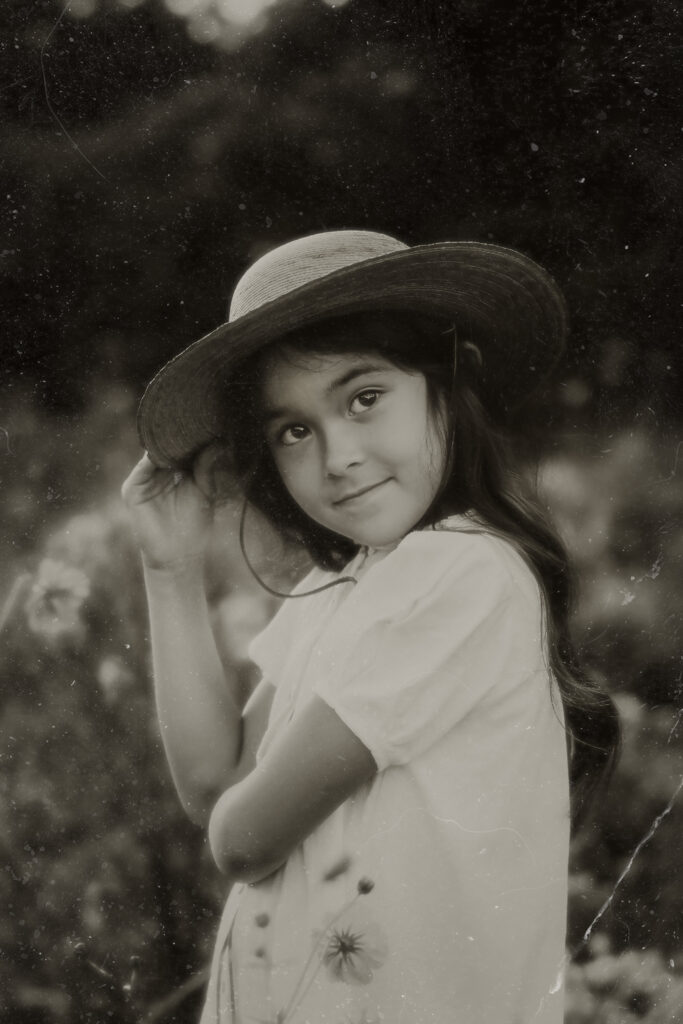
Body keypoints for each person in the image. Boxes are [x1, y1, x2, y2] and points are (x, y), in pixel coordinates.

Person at [122, 230, 620, 1024]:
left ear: (448, 384)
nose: (339, 456)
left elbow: (241, 840)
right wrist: (169, 571)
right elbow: (216, 783)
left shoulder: (460, 572)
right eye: (293, 430)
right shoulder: (344, 581)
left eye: (363, 398)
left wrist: (242, 814)